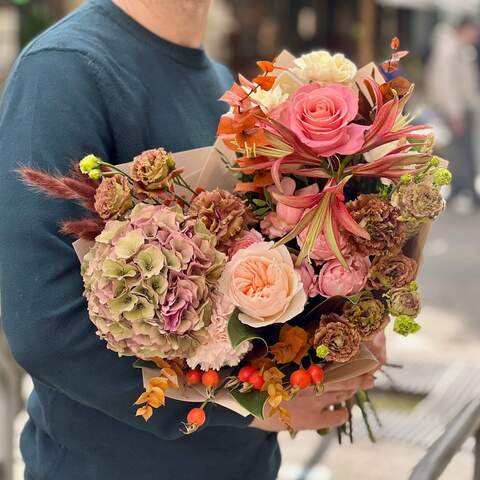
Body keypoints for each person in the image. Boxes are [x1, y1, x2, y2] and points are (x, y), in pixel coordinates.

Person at [0, 1, 382, 479]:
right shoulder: (64, 70)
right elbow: (44, 328)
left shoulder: (220, 81)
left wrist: (339, 335)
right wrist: (250, 408)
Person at [426, 17, 480, 207]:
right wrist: (455, 113)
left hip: (463, 108)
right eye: (474, 31)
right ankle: (464, 190)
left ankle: (462, 189)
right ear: (463, 29)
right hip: (457, 110)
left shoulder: (458, 48)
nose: (476, 35)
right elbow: (447, 85)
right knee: (460, 151)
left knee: (462, 150)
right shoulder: (450, 50)